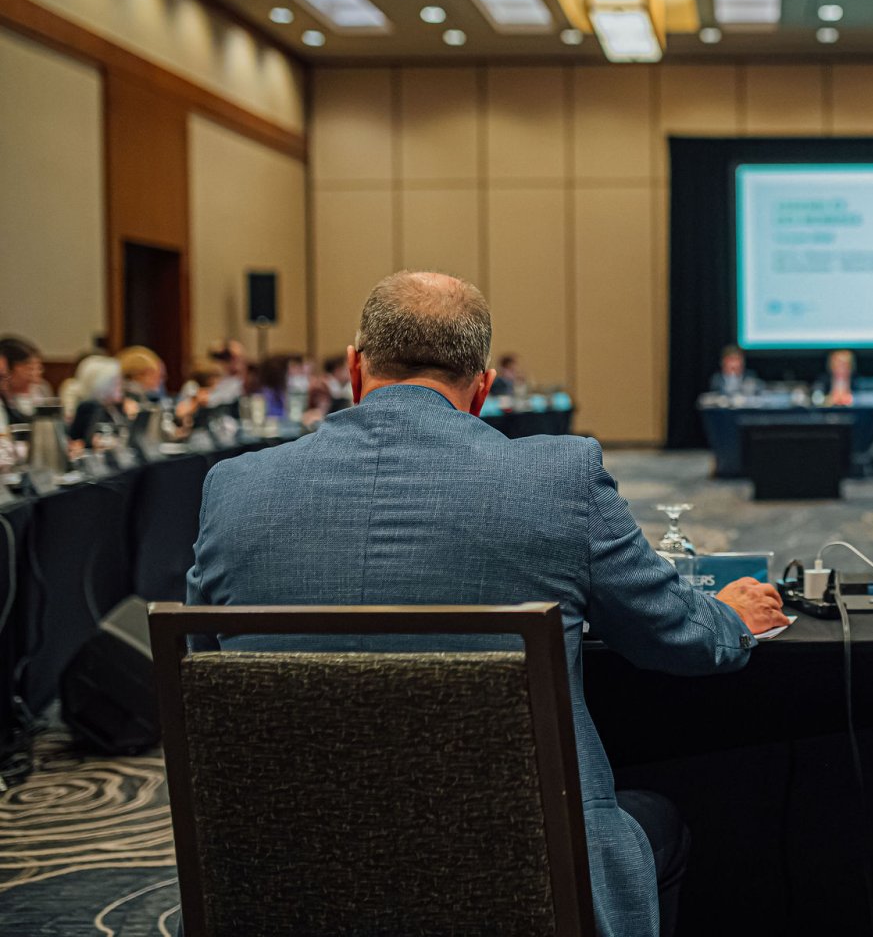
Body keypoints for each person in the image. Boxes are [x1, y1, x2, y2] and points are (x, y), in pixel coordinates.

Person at [186, 271, 787, 937]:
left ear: (353, 370)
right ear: (483, 388)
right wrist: (731, 617)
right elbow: (674, 632)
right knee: (658, 819)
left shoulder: (233, 487)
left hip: (282, 871)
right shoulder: (561, 477)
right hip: (518, 872)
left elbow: (199, 672)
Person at [66, 354, 129, 445]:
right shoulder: (88, 408)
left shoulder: (114, 407)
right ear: (104, 385)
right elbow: (82, 441)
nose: (122, 386)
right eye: (117, 382)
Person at [0, 337, 50, 417]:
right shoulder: (4, 395)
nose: (36, 372)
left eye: (39, 368)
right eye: (30, 368)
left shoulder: (41, 389)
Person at [206, 339, 249, 406]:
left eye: (235, 358)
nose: (232, 361)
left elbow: (224, 398)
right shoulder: (226, 377)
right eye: (226, 358)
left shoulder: (244, 380)